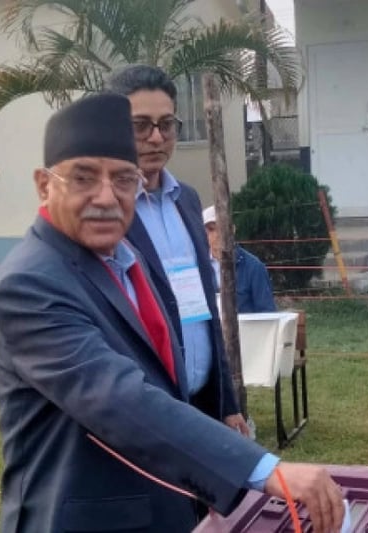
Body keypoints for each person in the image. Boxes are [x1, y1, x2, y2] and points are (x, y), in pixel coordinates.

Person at [0, 92, 347, 533]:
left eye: (124, 180)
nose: (107, 196)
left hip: (159, 505)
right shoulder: (30, 283)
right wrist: (262, 469)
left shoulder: (126, 260)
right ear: (44, 185)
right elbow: (119, 398)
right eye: (83, 178)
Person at [105, 65, 250, 436]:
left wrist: (227, 403)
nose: (156, 137)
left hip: (202, 399)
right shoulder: (105, 211)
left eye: (166, 124)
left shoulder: (187, 199)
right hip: (148, 408)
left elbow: (205, 306)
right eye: (141, 125)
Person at [202, 204, 276, 313]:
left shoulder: (254, 267)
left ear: (232, 230)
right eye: (211, 229)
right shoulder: (198, 267)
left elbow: (267, 313)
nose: (218, 234)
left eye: (222, 228)